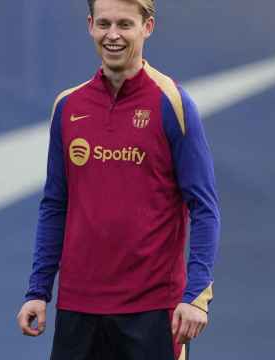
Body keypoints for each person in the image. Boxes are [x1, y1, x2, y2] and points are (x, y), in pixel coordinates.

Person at [16, 0, 220, 359]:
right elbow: (55, 205)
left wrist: (196, 296)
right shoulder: (68, 107)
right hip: (78, 308)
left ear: (148, 27)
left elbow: (204, 208)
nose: (113, 35)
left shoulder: (172, 103)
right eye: (105, 24)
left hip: (154, 310)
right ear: (90, 25)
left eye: (125, 24)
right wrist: (38, 290)